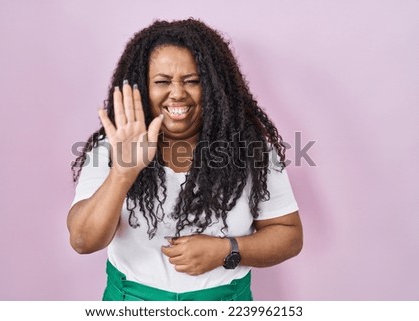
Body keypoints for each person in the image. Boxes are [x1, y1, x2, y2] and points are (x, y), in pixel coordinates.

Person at [68, 18, 303, 301]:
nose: (177, 93)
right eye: (162, 82)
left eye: (192, 81)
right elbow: (82, 241)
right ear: (142, 88)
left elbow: (289, 235)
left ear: (215, 87)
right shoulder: (110, 148)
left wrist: (227, 251)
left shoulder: (251, 150)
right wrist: (123, 172)